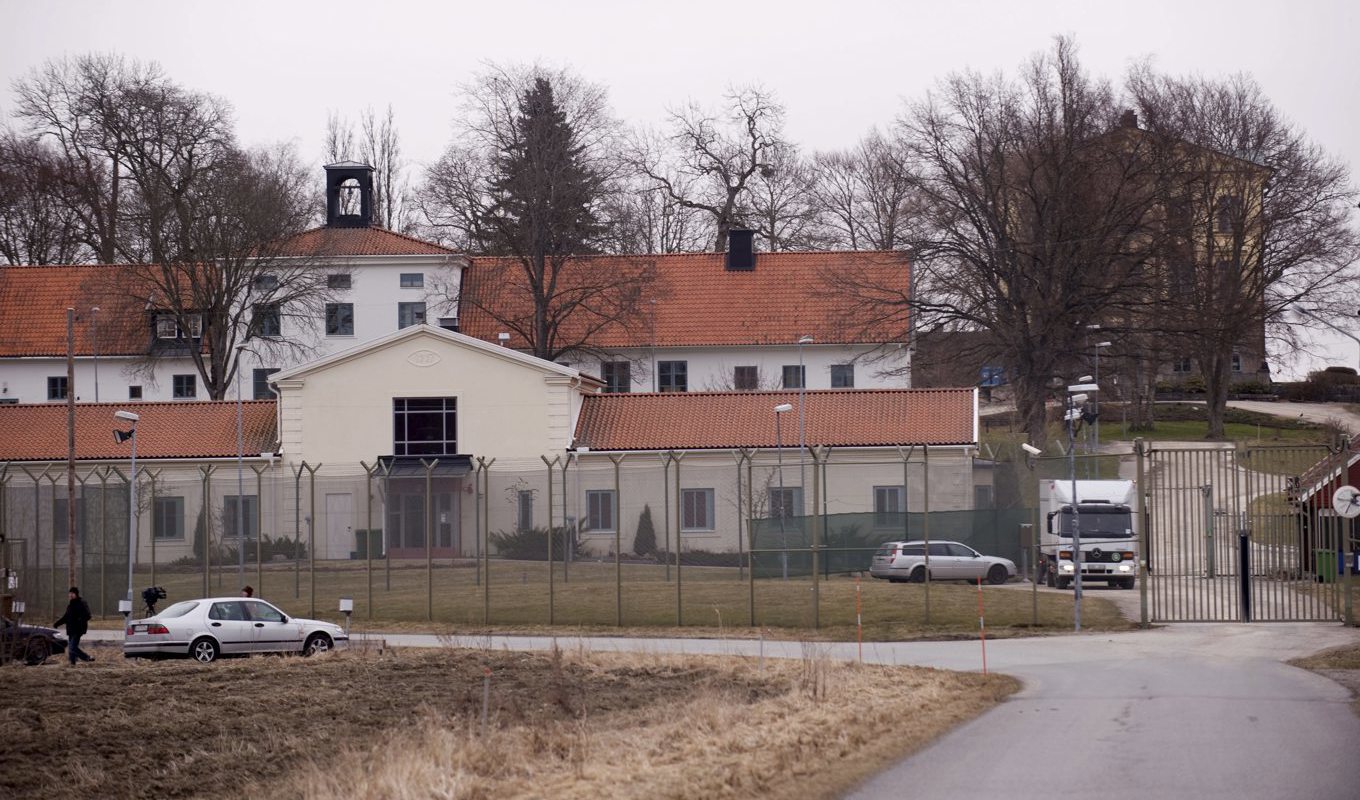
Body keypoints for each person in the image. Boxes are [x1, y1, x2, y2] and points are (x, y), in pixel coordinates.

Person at [54, 587, 94, 664]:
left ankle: (87, 658)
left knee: (72, 648)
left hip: (78, 629)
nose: (70, 595)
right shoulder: (70, 605)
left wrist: (80, 620)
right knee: (71, 649)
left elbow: (88, 615)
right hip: (70, 630)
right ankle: (72, 664)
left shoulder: (81, 603)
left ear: (76, 594)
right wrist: (57, 623)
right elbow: (65, 617)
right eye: (70, 593)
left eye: (72, 593)